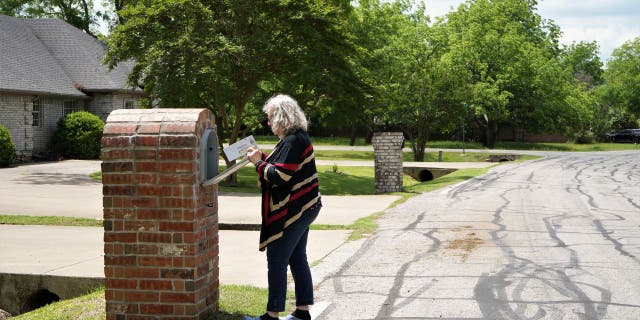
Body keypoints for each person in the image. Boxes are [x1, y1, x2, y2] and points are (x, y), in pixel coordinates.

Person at [244, 94, 322, 320]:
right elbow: (287, 166)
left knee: (277, 258)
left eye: (270, 118)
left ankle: (272, 314)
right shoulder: (296, 138)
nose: (268, 123)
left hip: (295, 210)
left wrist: (258, 163)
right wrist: (262, 159)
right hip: (306, 206)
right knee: (297, 257)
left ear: (280, 117)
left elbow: (281, 175)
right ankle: (302, 312)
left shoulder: (292, 140)